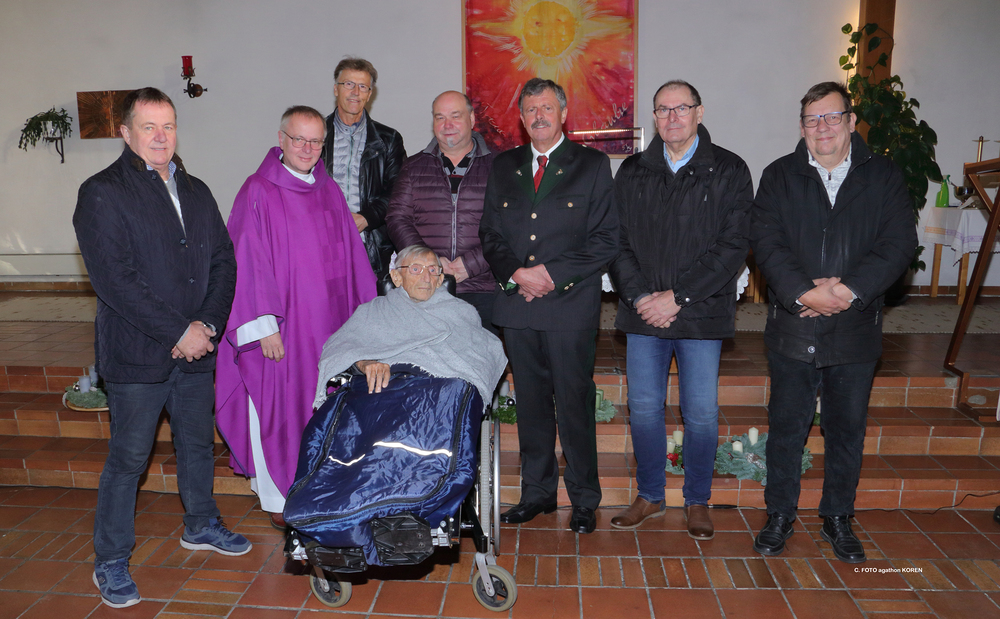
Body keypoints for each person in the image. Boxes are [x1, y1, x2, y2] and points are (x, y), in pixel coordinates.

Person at [73, 87, 250, 609]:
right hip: (137, 354)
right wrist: (179, 332)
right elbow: (115, 280)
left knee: (196, 445)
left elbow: (223, 260)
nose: (160, 136)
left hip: (197, 349)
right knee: (128, 459)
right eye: (148, 127)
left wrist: (207, 325)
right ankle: (110, 560)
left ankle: (201, 523)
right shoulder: (101, 192)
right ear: (125, 132)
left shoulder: (196, 189)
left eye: (168, 126)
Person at [750, 82, 916, 563]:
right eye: (812, 119)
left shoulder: (883, 175)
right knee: (786, 428)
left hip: (855, 326)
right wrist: (805, 292)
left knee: (846, 431)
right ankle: (779, 513)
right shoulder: (779, 175)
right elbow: (765, 240)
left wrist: (844, 292)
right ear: (801, 127)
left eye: (831, 116)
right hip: (794, 325)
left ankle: (838, 516)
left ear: (850, 121)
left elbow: (898, 243)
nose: (821, 127)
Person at [215, 106, 376, 529]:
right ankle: (278, 496)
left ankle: (322, 487)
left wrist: (361, 319)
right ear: (281, 140)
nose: (307, 149)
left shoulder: (329, 190)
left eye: (315, 141)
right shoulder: (258, 191)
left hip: (329, 325)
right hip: (283, 328)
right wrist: (263, 325)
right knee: (280, 406)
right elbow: (247, 259)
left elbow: (352, 258)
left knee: (324, 405)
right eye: (298, 139)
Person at [608, 80, 753, 538]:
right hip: (644, 313)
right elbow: (616, 241)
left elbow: (733, 246)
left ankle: (697, 500)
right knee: (644, 408)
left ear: (699, 112)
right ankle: (650, 494)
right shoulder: (632, 171)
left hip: (701, 312)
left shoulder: (729, 169)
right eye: (663, 110)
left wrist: (678, 297)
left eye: (681, 108)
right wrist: (640, 297)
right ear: (654, 117)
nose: (672, 118)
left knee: (702, 413)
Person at [479, 78, 618, 534]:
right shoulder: (504, 166)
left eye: (546, 108)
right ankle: (536, 493)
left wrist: (551, 275)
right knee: (531, 404)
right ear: (522, 118)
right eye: (530, 110)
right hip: (518, 306)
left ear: (562, 114)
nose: (538, 116)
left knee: (573, 403)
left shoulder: (592, 165)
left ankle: (584, 498)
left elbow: (606, 239)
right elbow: (490, 233)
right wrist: (517, 273)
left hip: (569, 306)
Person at [314, 245, 506, 408]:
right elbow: (338, 347)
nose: (426, 278)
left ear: (440, 280)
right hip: (382, 395)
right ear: (396, 277)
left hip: (440, 397)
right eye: (416, 269)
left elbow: (483, 356)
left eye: (432, 270)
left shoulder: (462, 312)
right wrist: (365, 363)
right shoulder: (373, 311)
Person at [386, 91, 498, 333]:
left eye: (455, 116)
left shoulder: (500, 166)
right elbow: (397, 218)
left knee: (481, 356)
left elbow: (510, 226)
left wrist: (471, 265)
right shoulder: (413, 167)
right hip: (425, 287)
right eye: (440, 117)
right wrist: (431, 263)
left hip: (483, 288)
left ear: (471, 119)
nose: (447, 125)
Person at [322, 57, 405, 280]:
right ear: (336, 89)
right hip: (322, 245)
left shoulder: (389, 139)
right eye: (348, 84)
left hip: (372, 248)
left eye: (362, 86)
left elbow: (399, 192)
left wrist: (366, 218)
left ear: (370, 94)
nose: (355, 92)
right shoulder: (315, 136)